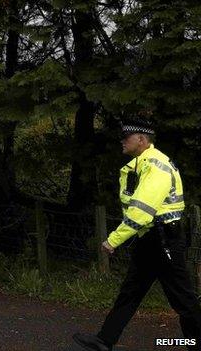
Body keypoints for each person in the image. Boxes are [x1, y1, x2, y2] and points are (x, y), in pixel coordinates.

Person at [73, 116, 201, 351]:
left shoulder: (155, 165)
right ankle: (104, 340)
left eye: (126, 137)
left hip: (164, 239)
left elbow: (141, 211)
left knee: (183, 299)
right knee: (130, 292)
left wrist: (113, 240)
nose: (122, 141)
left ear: (141, 139)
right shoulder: (142, 163)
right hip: (151, 238)